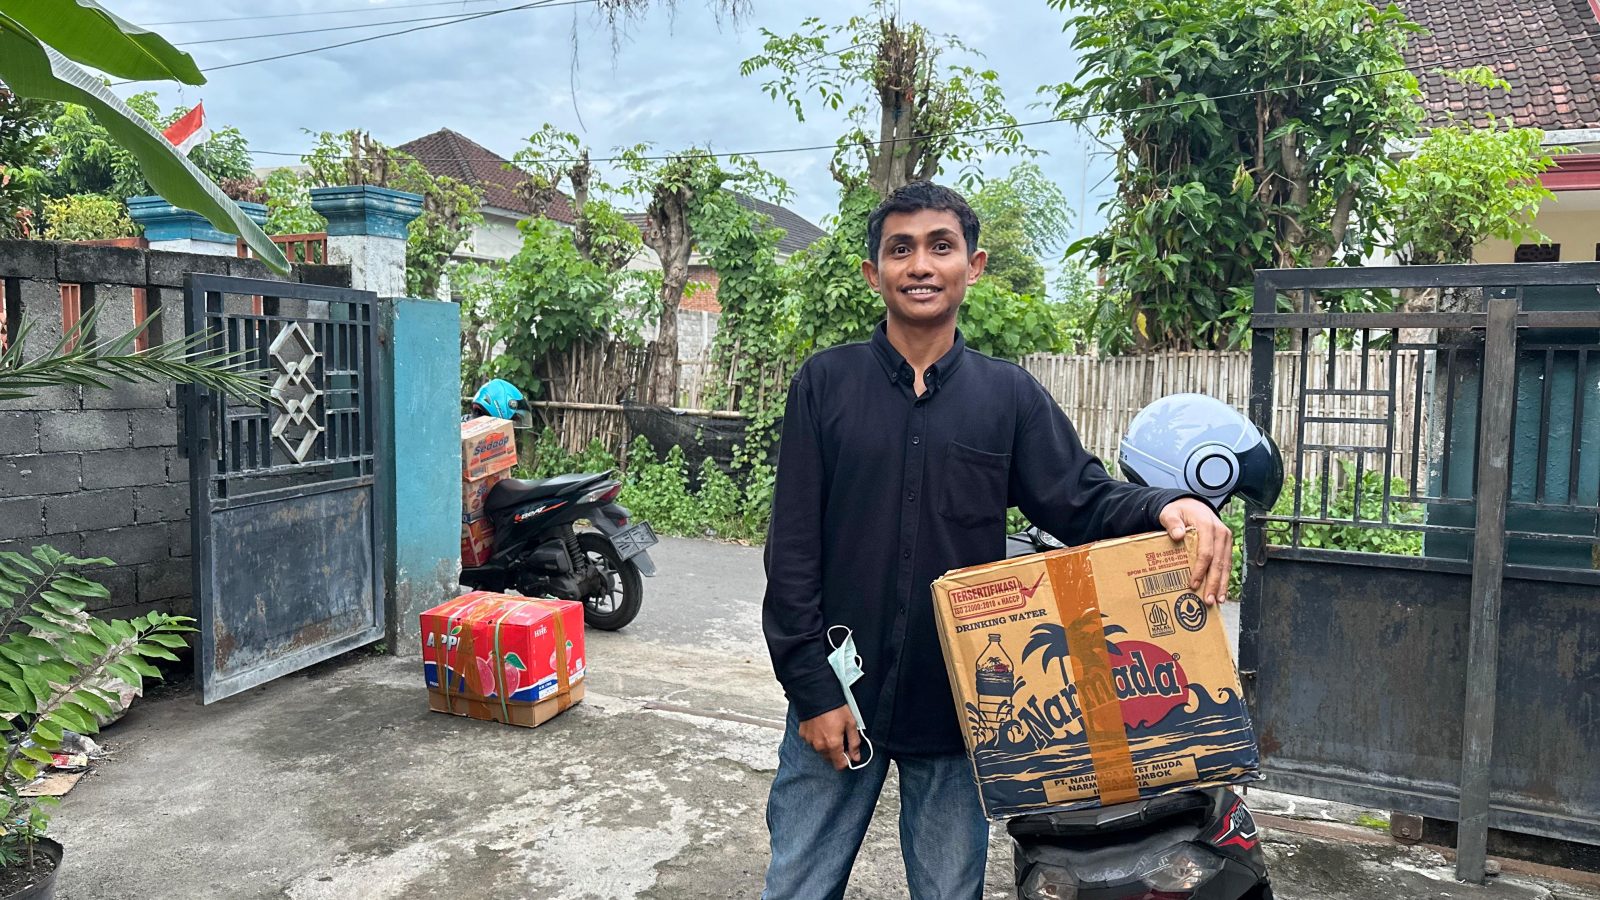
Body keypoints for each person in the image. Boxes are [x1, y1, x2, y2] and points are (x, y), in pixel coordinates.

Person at [759, 181, 1233, 899]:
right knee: (796, 884)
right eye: (901, 249)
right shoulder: (826, 385)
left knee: (951, 891)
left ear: (972, 266)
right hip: (838, 695)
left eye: (940, 247)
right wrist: (812, 688)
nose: (921, 264)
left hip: (961, 705)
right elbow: (792, 550)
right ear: (873, 273)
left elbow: (1082, 500)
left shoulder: (1006, 397)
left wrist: (1177, 505)